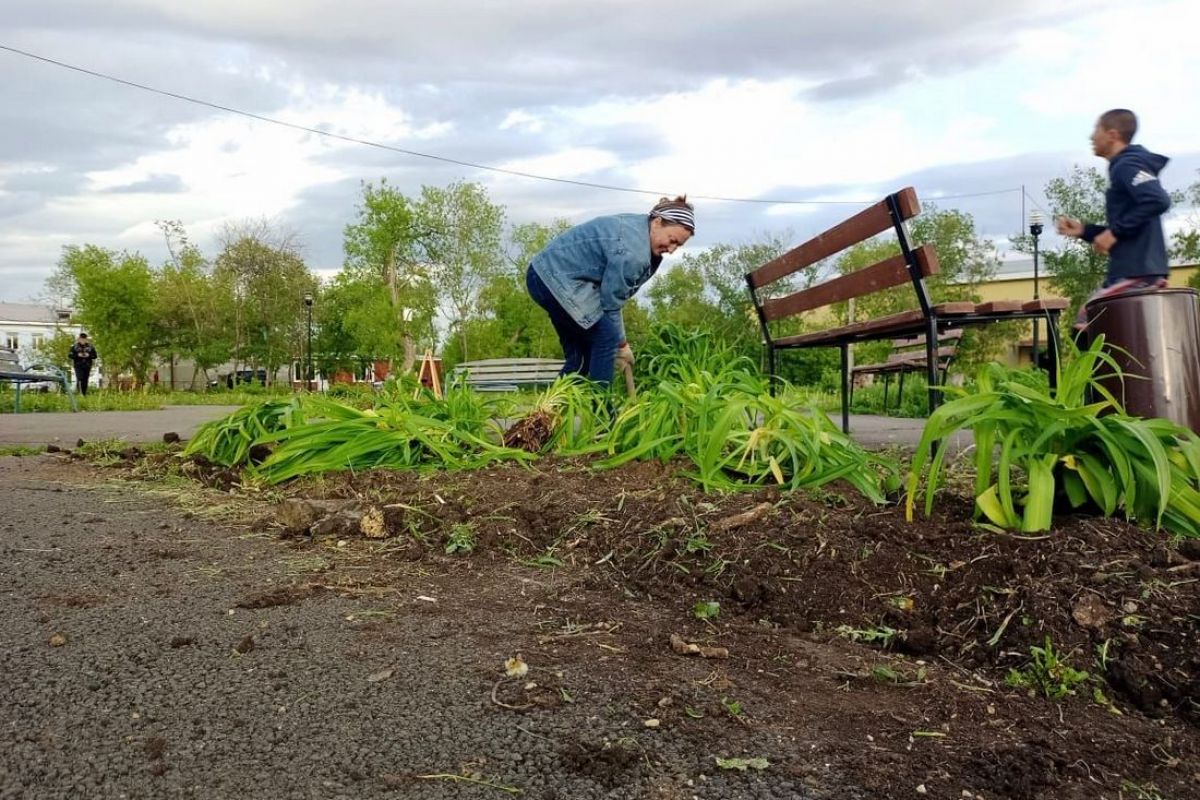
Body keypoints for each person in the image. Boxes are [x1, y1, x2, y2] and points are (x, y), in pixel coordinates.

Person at [525, 196, 695, 385]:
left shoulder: (641, 229)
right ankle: (603, 410)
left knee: (581, 359)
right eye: (672, 240)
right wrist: (621, 346)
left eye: (678, 245)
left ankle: (550, 411)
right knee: (606, 339)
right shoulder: (633, 251)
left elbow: (615, 296)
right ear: (657, 222)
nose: (671, 249)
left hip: (543, 275)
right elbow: (611, 303)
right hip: (557, 280)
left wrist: (621, 343)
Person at [1055, 109, 1172, 331]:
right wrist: (1085, 231)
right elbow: (1132, 223)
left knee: (1086, 324)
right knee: (1093, 330)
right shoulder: (1123, 166)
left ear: (1112, 134)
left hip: (1139, 272)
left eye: (1095, 130)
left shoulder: (1127, 165)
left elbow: (1158, 200)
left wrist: (1113, 233)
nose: (1091, 137)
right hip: (1133, 270)